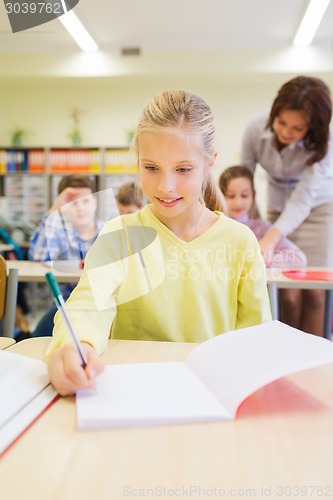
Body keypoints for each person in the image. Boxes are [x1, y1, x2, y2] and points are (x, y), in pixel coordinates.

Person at [46, 89, 272, 396]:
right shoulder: (121, 234)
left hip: (214, 392)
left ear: (209, 164)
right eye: (151, 168)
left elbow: (256, 338)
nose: (165, 187)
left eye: (183, 169)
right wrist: (75, 346)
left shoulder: (239, 241)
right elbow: (88, 304)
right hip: (134, 390)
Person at [240, 76, 333, 336]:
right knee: (285, 292)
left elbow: (303, 198)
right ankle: (285, 353)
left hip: (318, 210)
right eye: (281, 122)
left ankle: (314, 363)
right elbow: (243, 178)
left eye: (297, 129)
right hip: (275, 208)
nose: (285, 132)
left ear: (313, 128)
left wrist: (270, 237)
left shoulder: (324, 143)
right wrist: (250, 221)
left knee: (315, 293)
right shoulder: (255, 129)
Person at [28, 174, 104, 337]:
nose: (81, 208)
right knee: (47, 329)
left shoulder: (109, 230)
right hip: (64, 304)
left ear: (95, 202)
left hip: (103, 304)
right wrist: (54, 210)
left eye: (86, 201)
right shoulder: (58, 232)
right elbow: (37, 256)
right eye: (73, 203)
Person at [219, 166, 307, 268]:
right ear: (220, 195)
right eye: (230, 196)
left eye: (244, 195)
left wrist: (263, 261)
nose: (238, 203)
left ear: (253, 195)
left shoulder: (263, 229)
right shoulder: (215, 226)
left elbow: (299, 258)